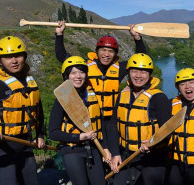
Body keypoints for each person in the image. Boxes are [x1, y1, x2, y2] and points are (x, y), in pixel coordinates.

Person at [54, 21, 147, 140]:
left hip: (111, 120)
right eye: (103, 50)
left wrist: (137, 38)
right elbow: (62, 56)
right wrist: (59, 34)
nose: (106, 54)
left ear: (115, 54)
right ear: (97, 52)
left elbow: (141, 59)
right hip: (91, 118)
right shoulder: (85, 66)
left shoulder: (119, 68)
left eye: (111, 51)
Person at [0, 36, 45, 185]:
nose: (14, 61)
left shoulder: (30, 81)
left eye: (18, 56)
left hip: (25, 144)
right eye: (8, 57)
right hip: (0, 146)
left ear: (24, 57)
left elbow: (39, 113)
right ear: (0, 60)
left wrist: (40, 135)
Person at [108, 53, 171, 185]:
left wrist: (154, 142)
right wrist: (115, 153)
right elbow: (113, 125)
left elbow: (168, 130)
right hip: (126, 154)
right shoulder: (122, 95)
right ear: (129, 73)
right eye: (134, 71)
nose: (138, 75)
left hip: (152, 158)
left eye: (143, 71)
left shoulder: (159, 98)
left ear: (150, 74)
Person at [49, 56, 111, 185]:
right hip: (72, 152)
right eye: (73, 73)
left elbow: (99, 124)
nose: (78, 76)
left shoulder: (91, 95)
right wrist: (80, 137)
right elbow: (53, 133)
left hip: (94, 148)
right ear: (66, 76)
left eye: (82, 72)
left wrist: (105, 147)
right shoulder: (61, 99)